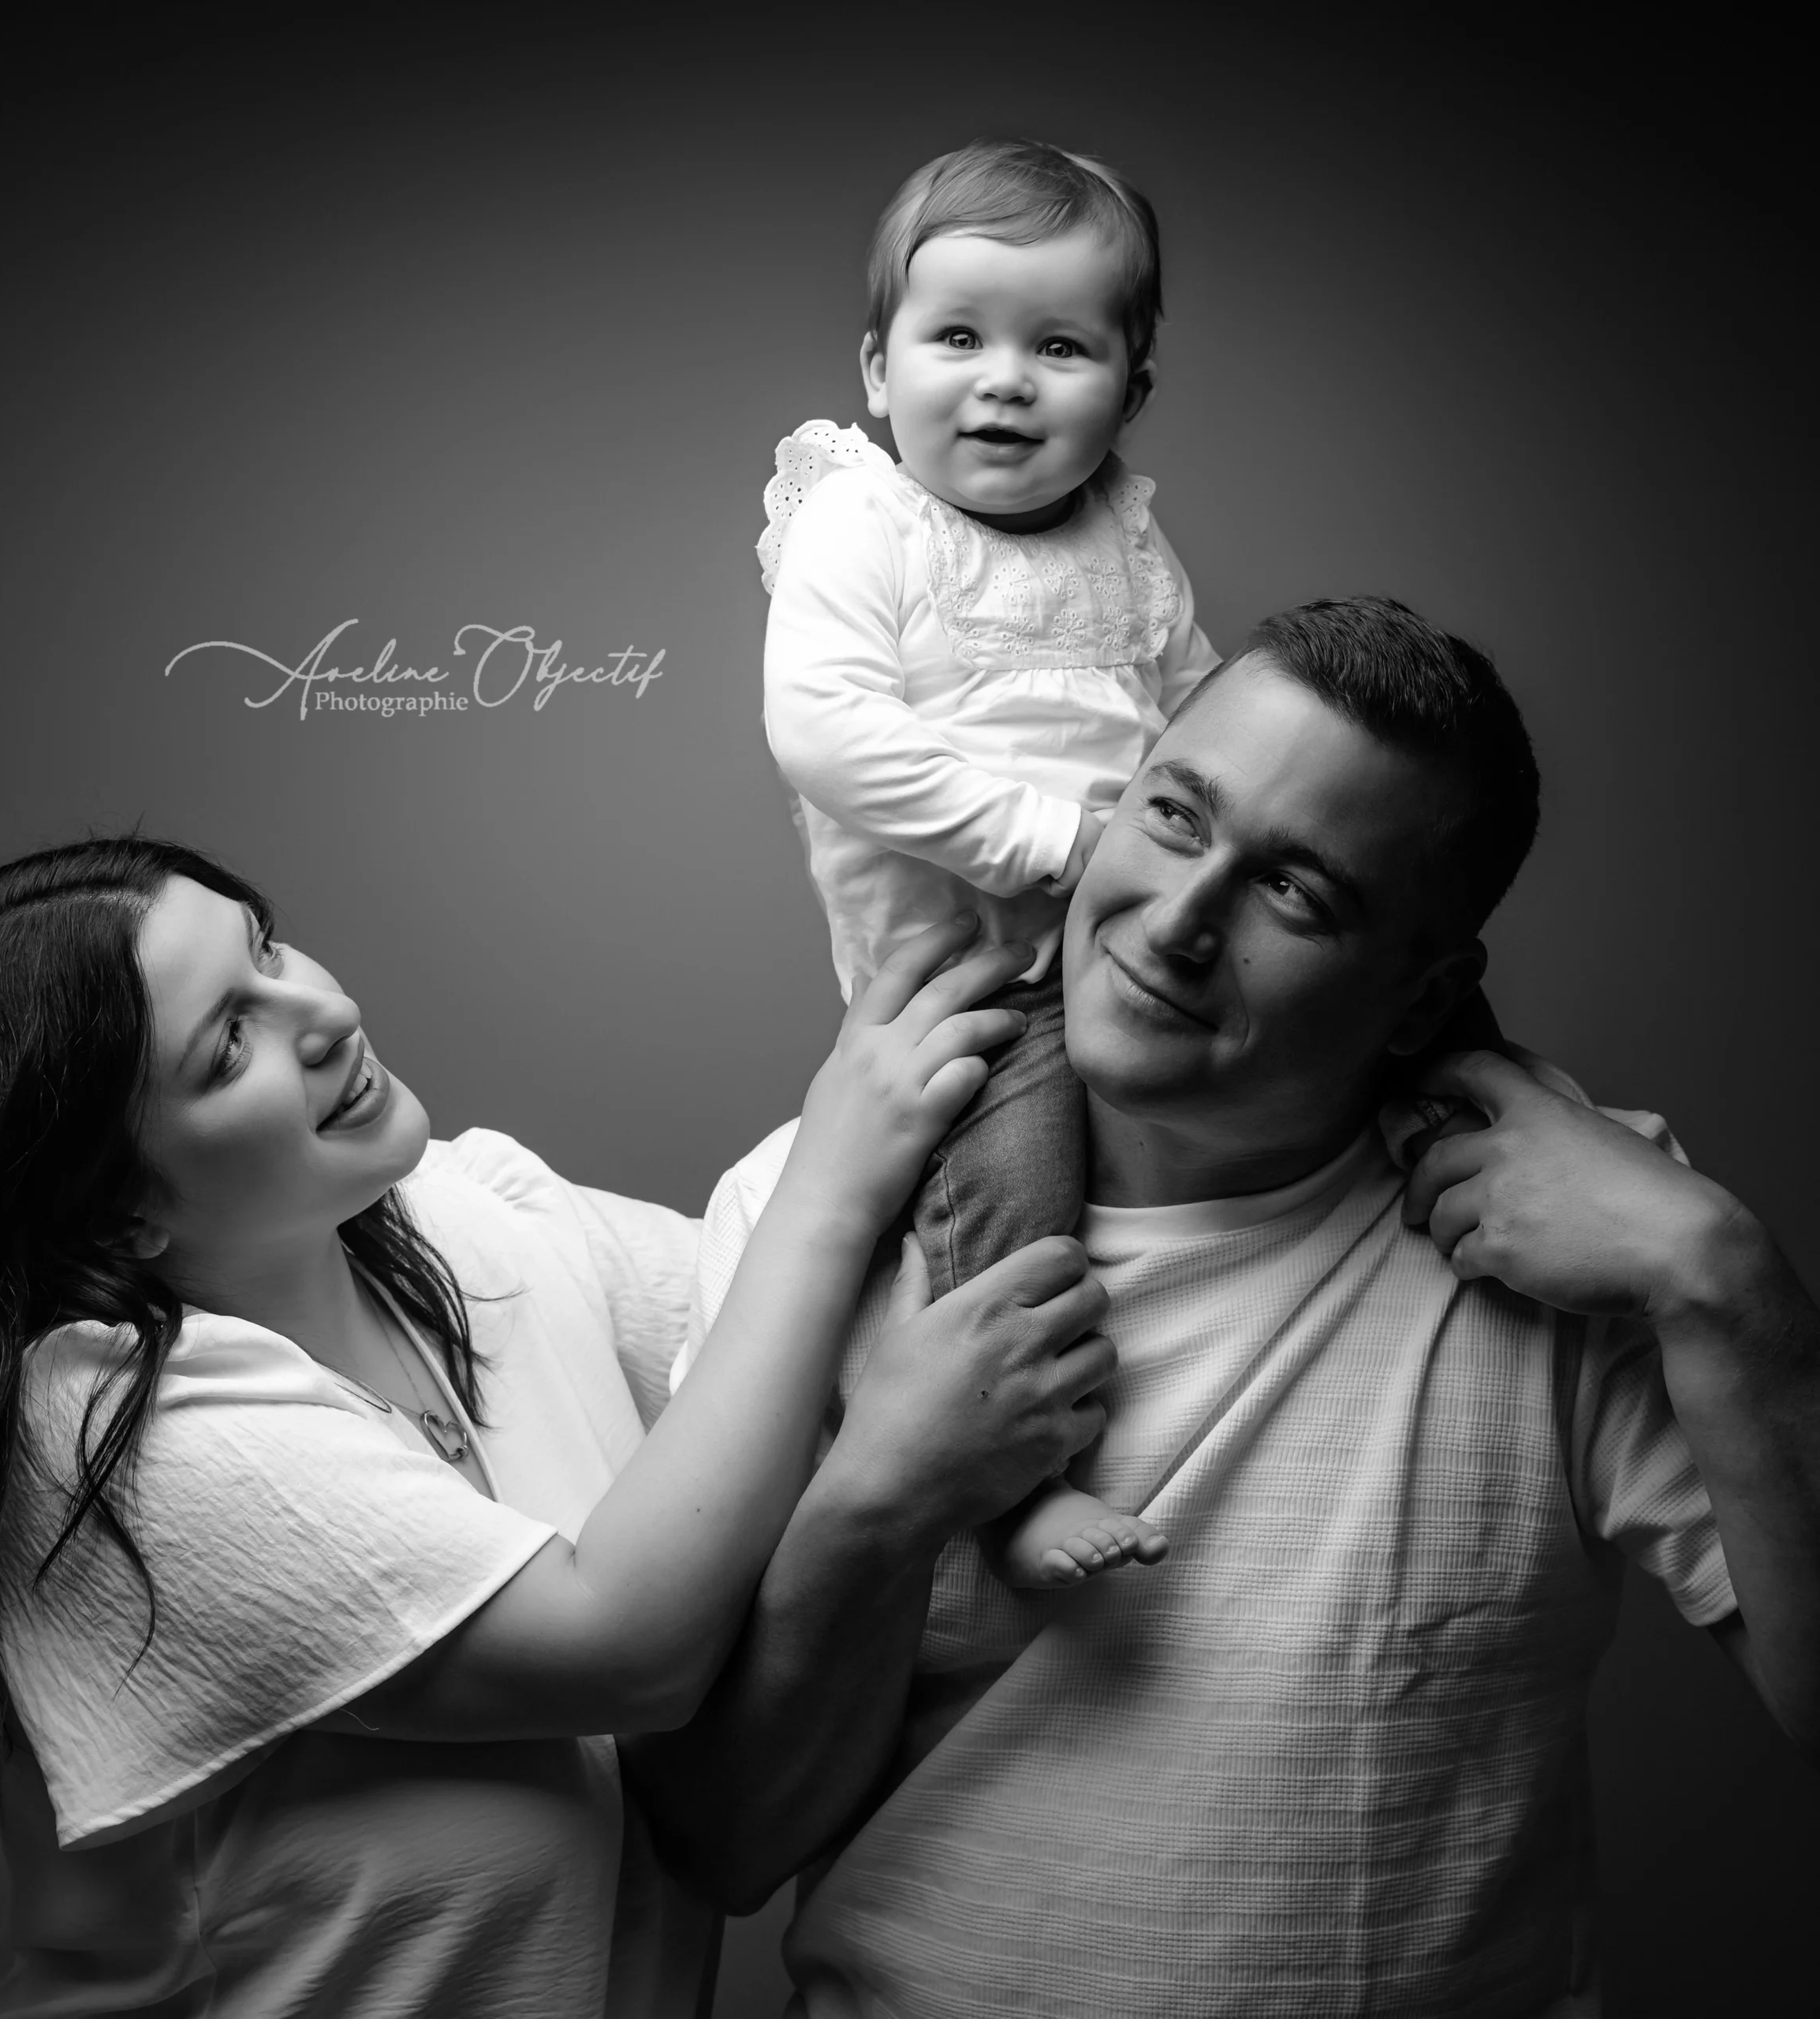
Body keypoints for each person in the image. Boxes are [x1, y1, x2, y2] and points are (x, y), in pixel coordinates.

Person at [632, 597, 1820, 2016]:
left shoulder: (1594, 1239)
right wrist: (885, 1493)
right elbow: (720, 1842)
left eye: (1296, 894)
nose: (1181, 921)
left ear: (1420, 994)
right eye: (1176, 819)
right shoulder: (819, 1206)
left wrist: (1725, 1282)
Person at [0, 837, 1132, 2018]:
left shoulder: (469, 1223)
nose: (321, 1013)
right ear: (114, 1219)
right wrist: (836, 1183)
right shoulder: (103, 1441)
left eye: (267, 949)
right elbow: (631, 1645)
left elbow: (811, 1344)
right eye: (228, 1046)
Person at [759, 137, 1217, 1586]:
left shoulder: (1131, 546)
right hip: (976, 981)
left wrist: (1212, 831)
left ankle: (1480, 1129)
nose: (1003, 377)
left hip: (1144, 935)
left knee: (1366, 1004)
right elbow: (825, 731)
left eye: (1061, 345)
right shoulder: (867, 519)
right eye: (956, 336)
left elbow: (1206, 718)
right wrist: (1063, 848)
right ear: (880, 371)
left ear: (1129, 391)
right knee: (1012, 1186)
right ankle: (1018, 1485)